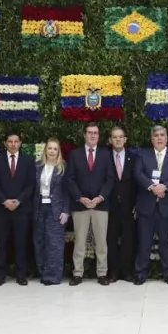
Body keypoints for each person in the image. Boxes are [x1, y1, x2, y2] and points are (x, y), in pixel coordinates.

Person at [134, 125, 168, 284]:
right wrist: (152, 187)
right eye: (156, 135)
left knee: (166, 242)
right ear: (152, 138)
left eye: (162, 135)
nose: (159, 138)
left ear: (167, 138)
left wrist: (165, 187)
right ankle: (140, 274)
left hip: (167, 207)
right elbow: (137, 173)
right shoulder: (143, 154)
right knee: (144, 242)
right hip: (146, 206)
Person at [65, 122, 115, 286]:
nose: (93, 135)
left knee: (101, 242)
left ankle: (102, 273)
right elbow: (70, 179)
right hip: (81, 205)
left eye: (96, 133)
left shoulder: (107, 154)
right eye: (90, 132)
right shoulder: (75, 154)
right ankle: (78, 273)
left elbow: (110, 179)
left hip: (100, 205)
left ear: (99, 136)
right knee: (79, 241)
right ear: (84, 134)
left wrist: (100, 197)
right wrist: (80, 197)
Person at [0, 131, 36, 286]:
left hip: (21, 209)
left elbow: (31, 185)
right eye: (10, 141)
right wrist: (4, 201)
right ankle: (1, 274)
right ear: (5, 143)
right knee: (1, 243)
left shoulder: (28, 161)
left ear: (20, 143)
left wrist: (18, 201)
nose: (13, 144)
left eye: (16, 141)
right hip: (1, 209)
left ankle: (21, 274)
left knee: (21, 242)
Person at [34, 138, 69, 285]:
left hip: (56, 209)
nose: (52, 151)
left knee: (55, 243)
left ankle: (53, 276)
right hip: (39, 208)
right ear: (45, 150)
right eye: (50, 148)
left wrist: (66, 211)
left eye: (55, 149)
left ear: (58, 151)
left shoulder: (63, 167)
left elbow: (68, 191)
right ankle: (43, 272)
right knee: (40, 241)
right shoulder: (37, 166)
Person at [106, 127, 136, 282]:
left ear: (125, 139)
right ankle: (113, 272)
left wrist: (136, 204)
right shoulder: (104, 157)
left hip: (129, 206)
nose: (118, 140)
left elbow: (137, 182)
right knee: (110, 240)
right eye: (114, 137)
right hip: (109, 206)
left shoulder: (134, 157)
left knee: (128, 240)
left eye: (120, 137)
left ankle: (126, 271)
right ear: (110, 140)